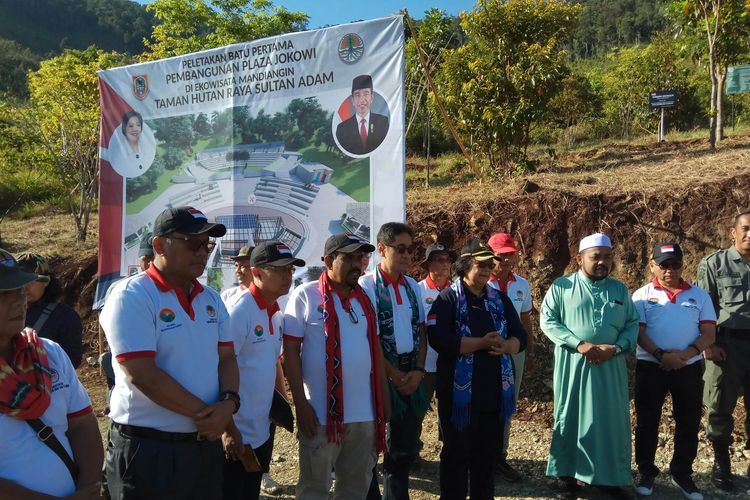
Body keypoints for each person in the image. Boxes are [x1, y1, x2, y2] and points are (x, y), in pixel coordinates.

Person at [100, 206, 240, 500]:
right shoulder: (132, 296)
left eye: (207, 244)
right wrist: (210, 416)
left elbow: (226, 358)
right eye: (192, 243)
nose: (203, 252)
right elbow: (142, 374)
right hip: (149, 451)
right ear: (159, 245)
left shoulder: (210, 298)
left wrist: (228, 406)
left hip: (202, 445)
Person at [283, 233, 389, 500]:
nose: (357, 264)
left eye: (360, 258)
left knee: (354, 490)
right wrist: (301, 404)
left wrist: (383, 401)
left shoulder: (365, 299)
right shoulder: (305, 295)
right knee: (313, 489)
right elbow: (291, 354)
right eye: (349, 258)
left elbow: (374, 351)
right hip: (320, 415)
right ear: (329, 260)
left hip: (364, 416)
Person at [540, 233, 639, 498]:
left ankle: (611, 478)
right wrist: (578, 344)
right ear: (579, 258)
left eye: (607, 257)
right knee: (570, 415)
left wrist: (616, 347)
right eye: (596, 257)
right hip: (574, 364)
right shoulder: (562, 286)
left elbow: (632, 324)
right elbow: (548, 321)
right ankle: (567, 476)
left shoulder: (619, 290)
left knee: (611, 420)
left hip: (610, 366)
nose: (602, 262)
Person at [0, 248, 104, 499]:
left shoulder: (48, 353)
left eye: (20, 289)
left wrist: (89, 485)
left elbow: (83, 425)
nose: (19, 299)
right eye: (4, 294)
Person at [427, 239, 527, 500]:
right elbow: (439, 339)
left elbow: (521, 336)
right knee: (457, 454)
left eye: (488, 264)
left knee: (486, 456)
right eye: (479, 264)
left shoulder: (499, 299)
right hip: (459, 394)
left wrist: (506, 346)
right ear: (464, 266)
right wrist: (480, 343)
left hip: (492, 392)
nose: (486, 269)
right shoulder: (448, 299)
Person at [632, 242, 716, 499]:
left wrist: (686, 355)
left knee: (688, 421)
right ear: (652, 266)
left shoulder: (699, 296)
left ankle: (682, 473)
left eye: (675, 264)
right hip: (651, 365)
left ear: (683, 264)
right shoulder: (641, 295)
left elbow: (709, 332)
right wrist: (661, 355)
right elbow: (639, 332)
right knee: (647, 421)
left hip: (687, 366)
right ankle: (646, 472)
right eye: (664, 264)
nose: (670, 270)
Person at [222, 241, 304, 500]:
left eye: (290, 270)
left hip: (260, 429)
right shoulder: (240, 312)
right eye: (279, 270)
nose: (287, 276)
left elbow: (271, 364)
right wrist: (226, 429)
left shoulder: (275, 313)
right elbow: (219, 367)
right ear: (256, 273)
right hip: (236, 431)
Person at [359, 222, 429, 500]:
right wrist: (392, 375)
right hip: (379, 375)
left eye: (409, 250)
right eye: (400, 249)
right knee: (370, 449)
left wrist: (419, 371)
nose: (406, 256)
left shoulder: (412, 285)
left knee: (404, 449)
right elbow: (370, 338)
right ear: (382, 249)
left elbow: (422, 333)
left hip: (411, 372)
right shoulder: (367, 286)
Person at [697, 211, 750, 492]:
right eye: (746, 228)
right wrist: (709, 345)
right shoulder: (714, 264)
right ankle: (721, 463)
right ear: (733, 232)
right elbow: (704, 310)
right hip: (726, 346)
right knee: (719, 406)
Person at [486, 232, 534, 482]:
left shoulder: (522, 284)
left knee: (507, 405)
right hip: (487, 350)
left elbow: (525, 317)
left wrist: (528, 346)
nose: (505, 261)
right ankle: (482, 457)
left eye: (509, 255)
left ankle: (500, 457)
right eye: (500, 256)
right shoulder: (481, 281)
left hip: (514, 351)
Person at [415, 242, 456, 453]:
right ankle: (412, 450)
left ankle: (447, 448)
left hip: (450, 361)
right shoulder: (416, 290)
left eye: (448, 260)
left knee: (448, 408)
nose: (445, 264)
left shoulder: (457, 290)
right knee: (418, 409)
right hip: (425, 362)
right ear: (428, 264)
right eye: (439, 260)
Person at [17, 252, 84, 368]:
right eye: (19, 281)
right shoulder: (7, 312)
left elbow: (72, 360)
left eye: (30, 281)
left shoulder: (64, 316)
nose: (24, 287)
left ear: (46, 281)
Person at [336, 75, 389, 156]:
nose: (362, 99)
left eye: (366, 93)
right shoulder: (342, 128)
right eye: (357, 95)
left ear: (371, 98)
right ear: (353, 100)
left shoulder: (383, 122)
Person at [106, 110, 156, 178]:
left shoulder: (148, 149)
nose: (135, 129)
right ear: (124, 128)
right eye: (131, 126)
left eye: (138, 125)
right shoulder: (119, 157)